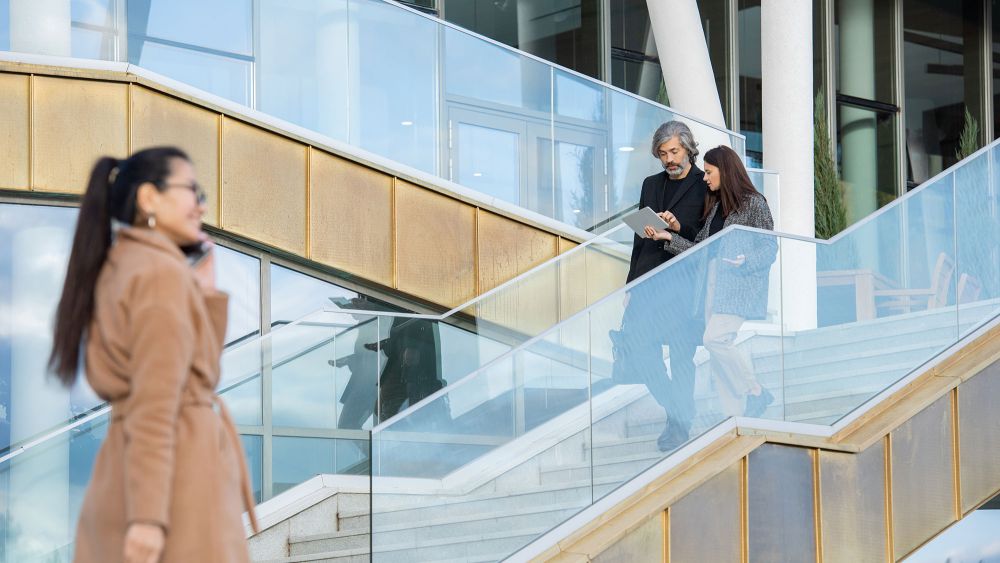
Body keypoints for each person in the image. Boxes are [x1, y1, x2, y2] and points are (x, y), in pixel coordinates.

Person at [49, 147, 257, 563]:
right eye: (192, 190)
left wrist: (204, 290)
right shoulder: (159, 275)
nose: (200, 205)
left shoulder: (127, 266)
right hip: (176, 485)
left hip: (135, 471)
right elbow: (156, 402)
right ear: (149, 198)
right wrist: (148, 520)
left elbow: (195, 374)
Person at [646, 145, 777, 418]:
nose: (704, 178)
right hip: (711, 285)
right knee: (717, 356)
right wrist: (669, 237)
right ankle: (735, 416)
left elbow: (769, 248)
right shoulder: (717, 206)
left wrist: (746, 260)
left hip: (738, 284)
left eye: (708, 172)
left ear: (725, 171)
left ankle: (756, 392)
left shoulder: (754, 203)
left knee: (715, 339)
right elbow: (700, 248)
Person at [619, 120, 709, 452]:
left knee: (683, 355)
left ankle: (678, 425)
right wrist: (631, 285)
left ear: (688, 149)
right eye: (662, 153)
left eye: (674, 151)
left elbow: (704, 235)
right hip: (648, 281)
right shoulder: (650, 184)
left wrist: (677, 225)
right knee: (640, 349)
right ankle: (679, 409)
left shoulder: (705, 184)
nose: (669, 159)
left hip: (684, 282)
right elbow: (638, 239)